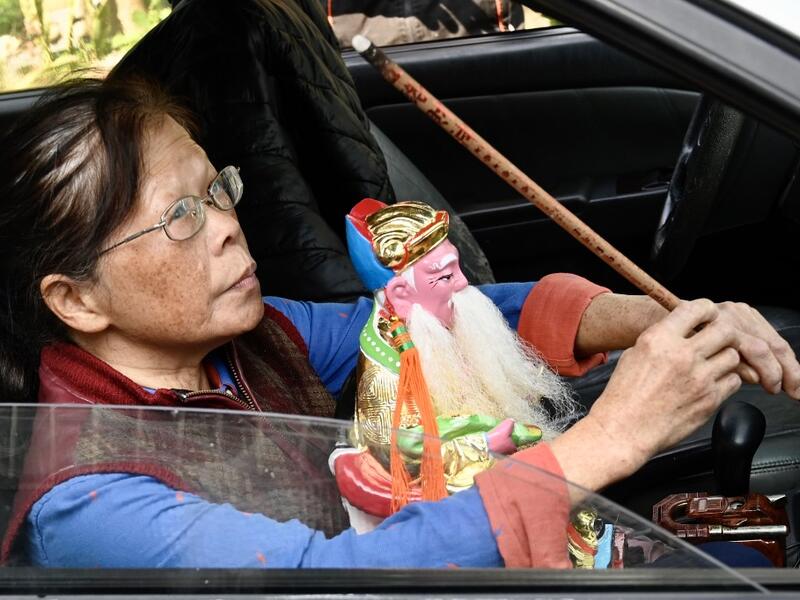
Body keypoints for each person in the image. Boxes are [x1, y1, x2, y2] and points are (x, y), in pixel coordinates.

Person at [0, 77, 798, 569]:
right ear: (77, 301)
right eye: (177, 215)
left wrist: (652, 320)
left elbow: (437, 314)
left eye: (216, 191)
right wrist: (611, 440)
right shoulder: (92, 501)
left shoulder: (252, 339)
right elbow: (341, 575)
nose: (223, 226)